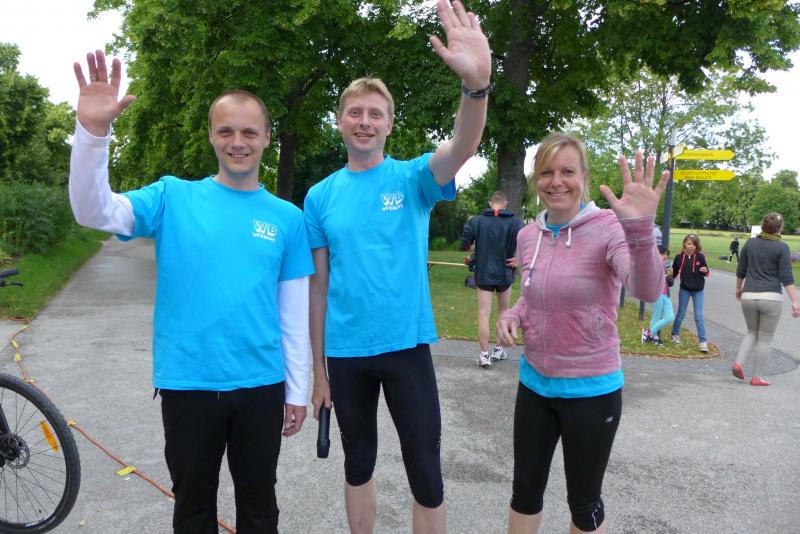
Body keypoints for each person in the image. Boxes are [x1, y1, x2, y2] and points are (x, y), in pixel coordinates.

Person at [69, 51, 313, 533]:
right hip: (188, 385)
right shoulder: (172, 196)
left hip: (261, 386)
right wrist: (93, 134)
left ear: (267, 137)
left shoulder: (288, 218)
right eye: (226, 131)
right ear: (211, 135)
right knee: (193, 508)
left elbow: (292, 314)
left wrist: (298, 390)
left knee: (259, 506)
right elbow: (93, 211)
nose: (238, 142)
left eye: (249, 132)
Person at [303, 1, 491, 532]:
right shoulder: (319, 197)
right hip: (346, 353)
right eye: (355, 112)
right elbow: (317, 289)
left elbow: (463, 145)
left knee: (425, 471)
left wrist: (475, 87)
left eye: (375, 114)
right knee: (357, 463)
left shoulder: (412, 180)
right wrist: (318, 371)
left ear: (389, 123)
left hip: (406, 347)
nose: (364, 122)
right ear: (340, 121)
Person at [496, 133, 668, 534]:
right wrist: (513, 315)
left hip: (591, 390)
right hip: (535, 386)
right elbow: (533, 295)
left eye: (567, 172)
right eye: (547, 172)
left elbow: (646, 290)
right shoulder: (528, 235)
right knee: (524, 493)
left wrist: (640, 230)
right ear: (536, 180)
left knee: (584, 505)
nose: (557, 181)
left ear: (584, 177)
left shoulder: (608, 228)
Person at [732, 213, 800, 386]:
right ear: (779, 228)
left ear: (763, 226)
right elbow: (786, 277)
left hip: (749, 295)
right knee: (765, 338)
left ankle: (739, 363)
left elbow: (741, 270)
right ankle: (757, 377)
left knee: (751, 332)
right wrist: (794, 301)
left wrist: (739, 289)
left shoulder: (750, 243)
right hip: (771, 297)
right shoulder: (782, 248)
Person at [461, 191, 525, 367]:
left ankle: (484, 354)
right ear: (505, 204)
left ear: (491, 203)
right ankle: (497, 350)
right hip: (505, 273)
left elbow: (465, 245)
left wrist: (479, 247)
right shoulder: (516, 222)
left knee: (484, 313)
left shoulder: (477, 221)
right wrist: (519, 259)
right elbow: (529, 241)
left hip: (484, 273)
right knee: (503, 311)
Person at [669, 234, 710, 352]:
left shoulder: (700, 257)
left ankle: (703, 342)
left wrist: (705, 271)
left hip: (698, 291)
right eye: (689, 244)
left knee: (698, 316)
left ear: (697, 246)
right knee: (681, 313)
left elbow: (707, 272)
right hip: (684, 290)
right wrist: (669, 276)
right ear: (684, 244)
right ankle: (675, 334)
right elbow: (673, 275)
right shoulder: (679, 257)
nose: (691, 246)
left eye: (693, 244)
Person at [641, 245, 675, 346]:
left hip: (666, 294)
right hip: (656, 294)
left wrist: (670, 276)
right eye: (662, 254)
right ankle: (654, 337)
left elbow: (670, 283)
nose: (665, 256)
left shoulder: (666, 266)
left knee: (670, 317)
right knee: (656, 316)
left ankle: (648, 332)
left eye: (666, 255)